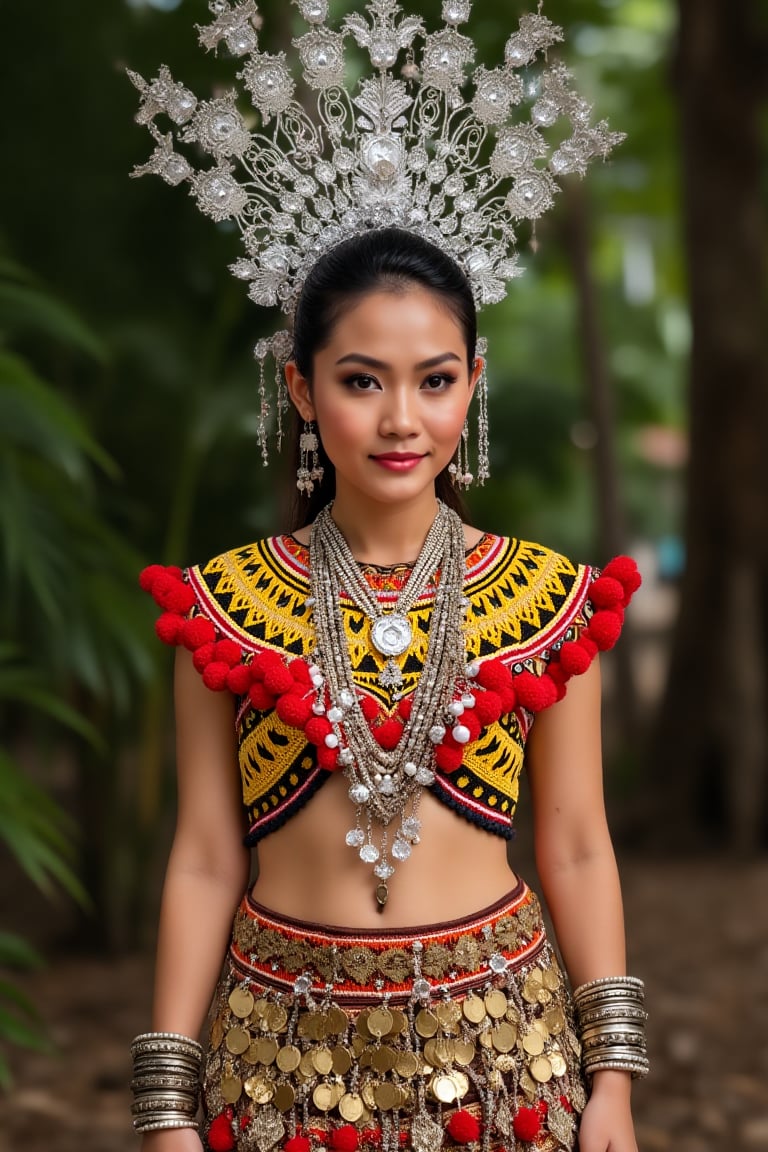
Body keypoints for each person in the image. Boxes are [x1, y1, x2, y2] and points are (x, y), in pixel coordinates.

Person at [130, 5, 647, 1152]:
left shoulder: (548, 598)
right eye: (363, 381)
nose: (402, 419)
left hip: (506, 1062)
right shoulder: (226, 603)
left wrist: (612, 1079)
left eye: (435, 379)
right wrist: (167, 1103)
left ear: (473, 386)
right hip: (276, 1062)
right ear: (303, 389)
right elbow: (207, 853)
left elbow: (573, 840)